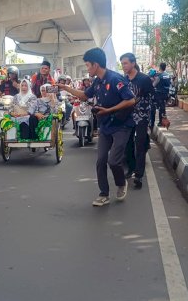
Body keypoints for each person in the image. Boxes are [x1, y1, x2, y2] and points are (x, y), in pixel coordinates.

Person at [58, 48, 136, 207]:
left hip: (121, 126)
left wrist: (109, 110)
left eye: (87, 65)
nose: (87, 68)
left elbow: (131, 100)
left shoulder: (115, 79)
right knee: (101, 161)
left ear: (95, 64)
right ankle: (104, 194)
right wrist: (65, 88)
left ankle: (121, 183)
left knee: (114, 161)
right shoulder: (97, 82)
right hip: (105, 126)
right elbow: (85, 96)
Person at [120, 53, 153, 189]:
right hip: (128, 116)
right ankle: (131, 168)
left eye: (126, 63)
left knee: (139, 144)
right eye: (122, 64)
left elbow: (152, 98)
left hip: (142, 116)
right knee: (127, 144)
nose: (123, 66)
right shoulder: (124, 80)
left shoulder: (144, 79)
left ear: (133, 63)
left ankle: (138, 175)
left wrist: (154, 117)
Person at [152, 63, 171, 128]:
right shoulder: (168, 75)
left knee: (161, 108)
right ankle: (163, 121)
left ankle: (161, 122)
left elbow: (153, 85)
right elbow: (171, 84)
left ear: (160, 67)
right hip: (166, 94)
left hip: (159, 94)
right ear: (165, 68)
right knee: (163, 107)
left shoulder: (159, 76)